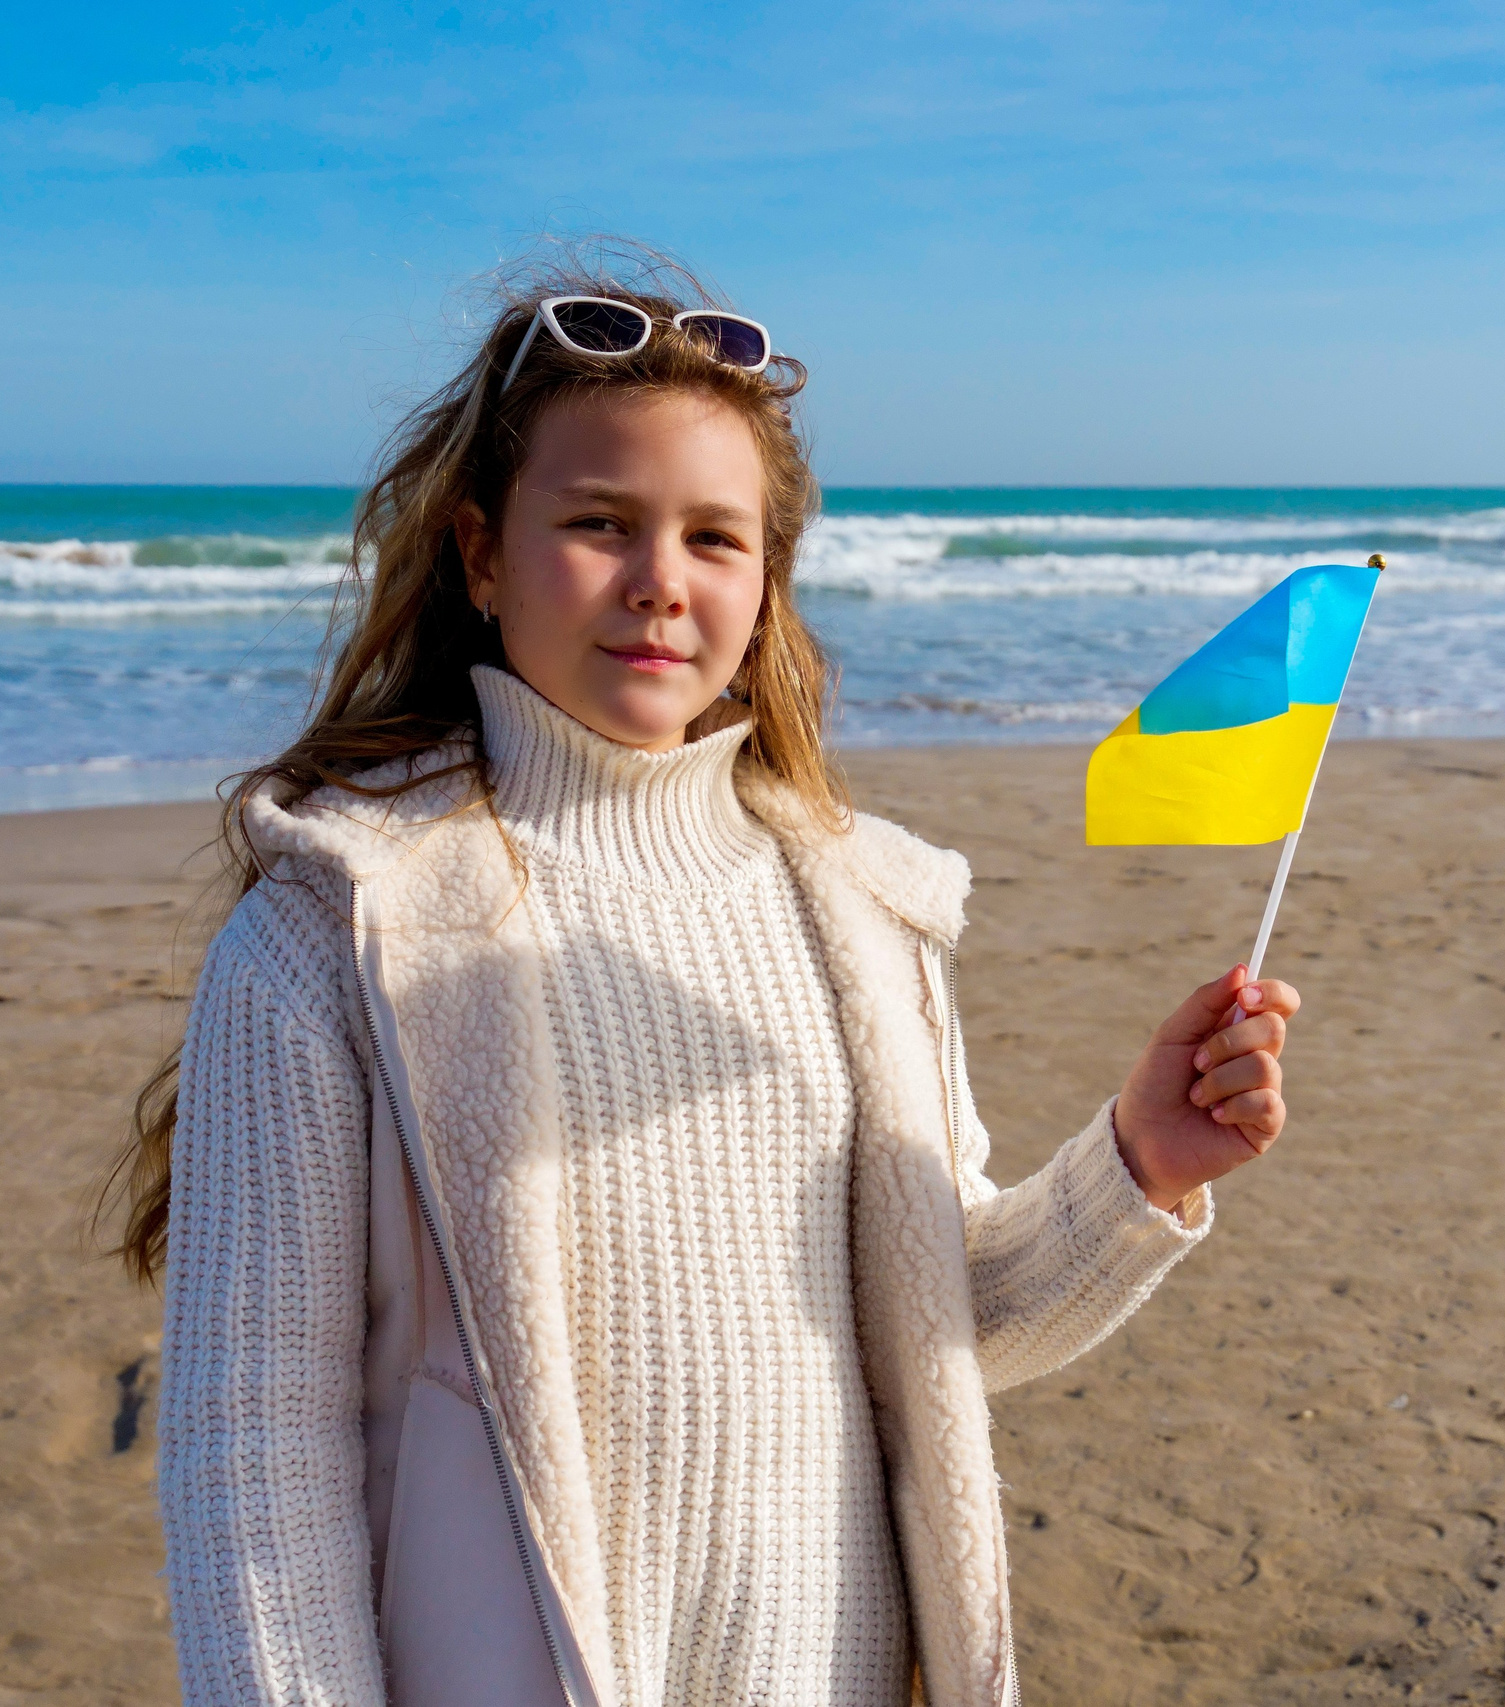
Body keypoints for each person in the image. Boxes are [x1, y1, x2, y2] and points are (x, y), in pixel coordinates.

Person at [113, 254, 1301, 1707]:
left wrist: (1138, 1169)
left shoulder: (863, 908)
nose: (660, 583)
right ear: (483, 555)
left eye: (715, 539)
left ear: (767, 583)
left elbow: (940, 1324)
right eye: (599, 524)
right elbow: (251, 1446)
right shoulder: (335, 931)